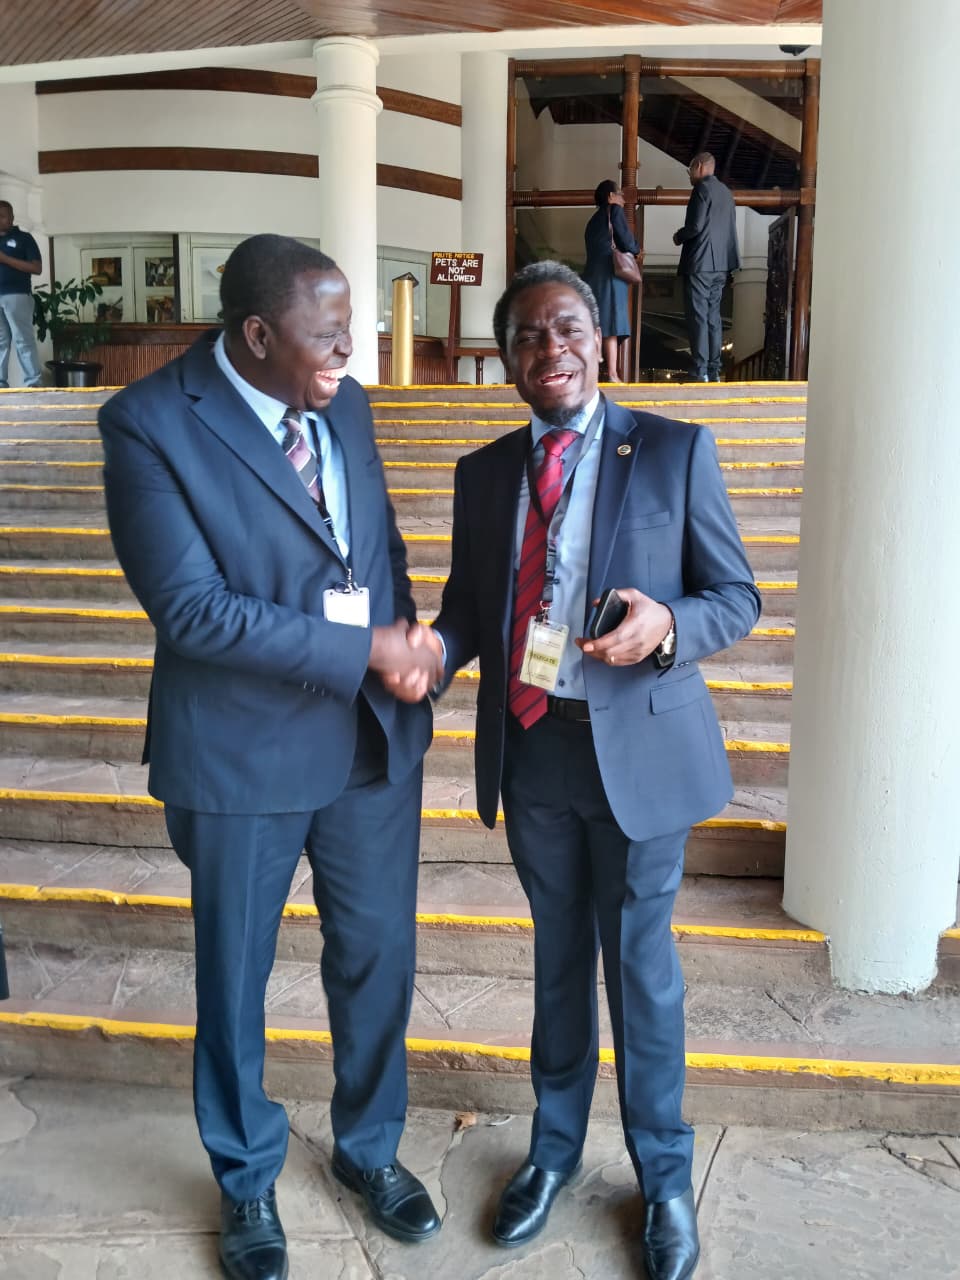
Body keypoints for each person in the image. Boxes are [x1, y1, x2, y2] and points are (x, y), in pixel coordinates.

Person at [98, 234, 444, 1280]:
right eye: (328, 334)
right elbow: (193, 610)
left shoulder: (344, 401)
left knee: (377, 958)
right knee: (235, 973)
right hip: (239, 753)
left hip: (368, 744)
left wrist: (406, 638)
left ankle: (368, 1147)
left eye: (352, 330)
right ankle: (246, 1172)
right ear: (255, 334)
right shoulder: (150, 423)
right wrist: (366, 648)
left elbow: (374, 543)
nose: (350, 351)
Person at [421, 261, 760, 1280]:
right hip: (534, 748)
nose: (551, 348)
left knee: (640, 966)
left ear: (600, 341)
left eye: (567, 327)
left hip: (640, 756)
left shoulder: (672, 449)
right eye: (528, 336)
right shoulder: (484, 472)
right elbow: (470, 607)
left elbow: (735, 596)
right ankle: (554, 1150)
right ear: (508, 361)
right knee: (558, 958)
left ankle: (664, 1176)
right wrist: (429, 653)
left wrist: (669, 625)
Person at [673, 153, 740, 382]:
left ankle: (699, 369)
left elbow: (695, 226)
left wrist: (679, 236)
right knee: (713, 317)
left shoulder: (702, 189)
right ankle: (713, 370)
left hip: (700, 262)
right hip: (721, 264)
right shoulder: (727, 193)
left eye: (690, 170)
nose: (690, 176)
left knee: (698, 316)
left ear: (699, 167)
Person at [581, 179, 640, 384]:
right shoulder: (614, 210)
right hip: (610, 274)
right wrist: (636, 249)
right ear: (610, 196)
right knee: (612, 324)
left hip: (592, 276)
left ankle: (593, 373)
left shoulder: (591, 221)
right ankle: (613, 373)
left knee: (597, 324)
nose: (623, 199)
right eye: (620, 194)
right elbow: (626, 239)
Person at [0, 200, 43, 388]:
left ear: (12, 218)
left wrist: (5, 259)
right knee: (0, 342)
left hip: (17, 295)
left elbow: (36, 268)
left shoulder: (24, 238)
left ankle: (33, 384)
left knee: (23, 340)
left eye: (2, 216)